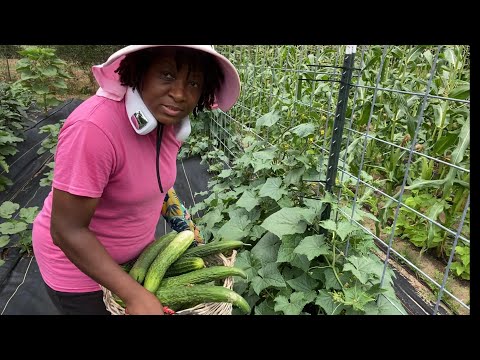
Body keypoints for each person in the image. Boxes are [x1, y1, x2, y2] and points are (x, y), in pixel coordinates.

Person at [31, 45, 241, 315]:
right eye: (166, 75)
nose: (179, 93)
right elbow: (66, 230)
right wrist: (132, 294)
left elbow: (159, 187)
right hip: (80, 273)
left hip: (135, 263)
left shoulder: (168, 124)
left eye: (193, 82)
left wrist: (192, 237)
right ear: (139, 71)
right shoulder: (93, 129)